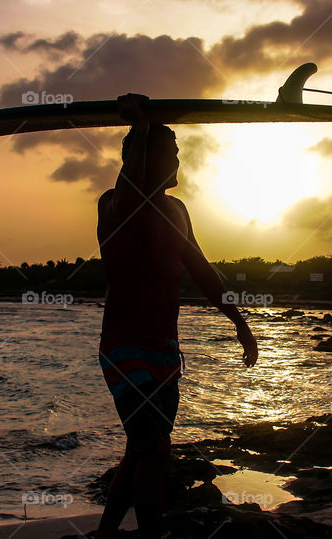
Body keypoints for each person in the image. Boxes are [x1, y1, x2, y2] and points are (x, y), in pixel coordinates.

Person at [95, 93, 258, 539]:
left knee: (143, 449)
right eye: (172, 154)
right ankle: (152, 535)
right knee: (153, 447)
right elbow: (132, 189)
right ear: (143, 158)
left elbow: (203, 271)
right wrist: (142, 132)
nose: (179, 163)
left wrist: (240, 323)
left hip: (166, 352)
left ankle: (106, 534)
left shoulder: (178, 211)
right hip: (124, 347)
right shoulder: (113, 205)